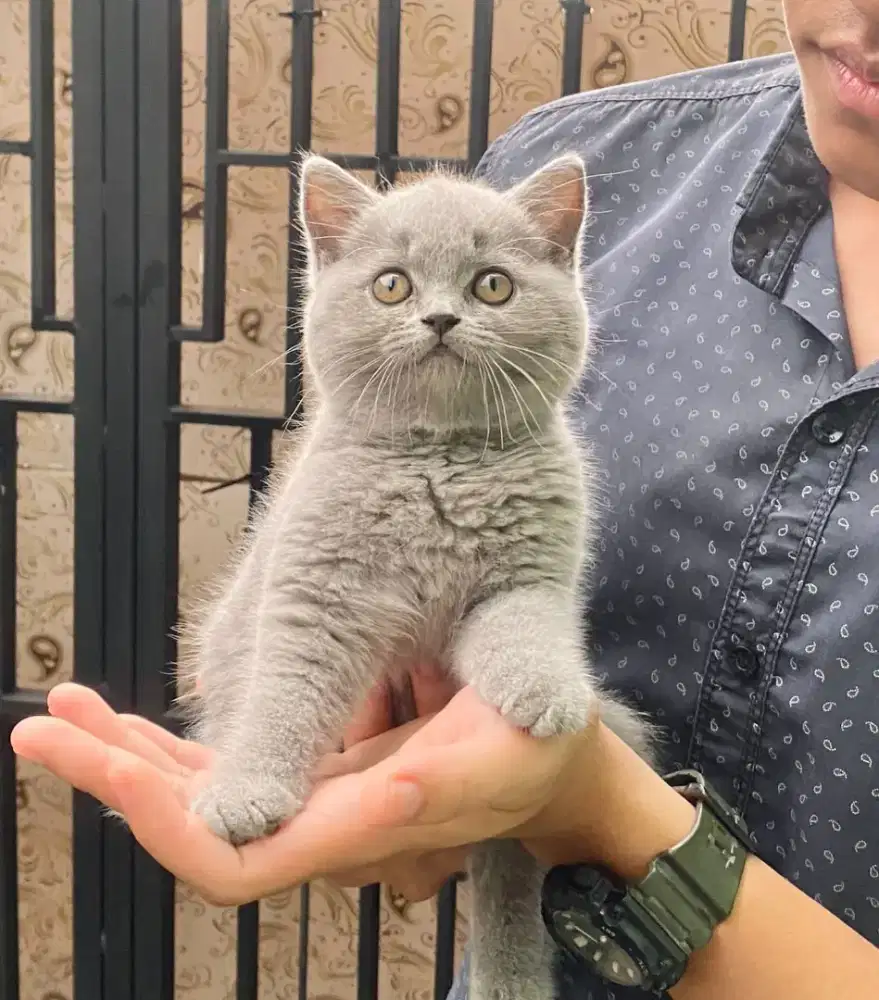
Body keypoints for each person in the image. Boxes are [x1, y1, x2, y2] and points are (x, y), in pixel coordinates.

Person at [11, 1, 879, 996]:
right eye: (392, 289)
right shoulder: (598, 152)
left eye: (491, 290)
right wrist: (352, 768)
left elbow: (526, 618)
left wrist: (583, 795)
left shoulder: (538, 451)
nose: (436, 313)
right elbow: (308, 615)